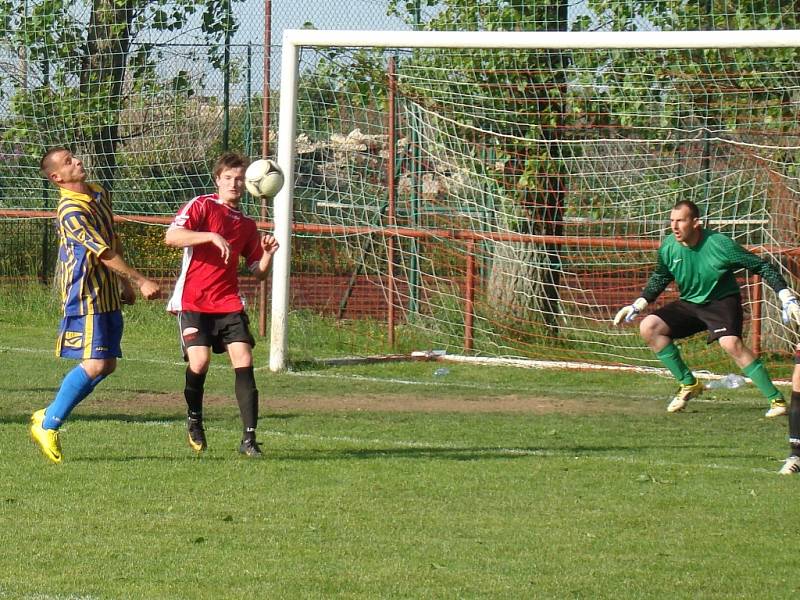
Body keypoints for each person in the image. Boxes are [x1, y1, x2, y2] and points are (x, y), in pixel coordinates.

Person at [31, 147, 161, 463]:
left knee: (108, 364)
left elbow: (111, 237)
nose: (77, 161)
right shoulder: (70, 211)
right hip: (83, 292)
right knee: (96, 364)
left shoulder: (99, 193)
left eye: (74, 157)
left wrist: (125, 283)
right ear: (57, 177)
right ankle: (48, 424)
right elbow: (101, 252)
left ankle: (48, 413)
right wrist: (142, 280)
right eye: (68, 161)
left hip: (105, 289)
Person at [613, 199, 800, 415]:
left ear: (696, 223)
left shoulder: (720, 244)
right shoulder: (668, 246)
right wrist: (638, 304)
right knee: (649, 327)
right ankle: (688, 383)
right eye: (671, 221)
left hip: (721, 302)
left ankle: (776, 401)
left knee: (731, 344)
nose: (674, 226)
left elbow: (762, 266)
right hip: (690, 302)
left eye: (680, 221)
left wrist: (786, 296)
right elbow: (661, 277)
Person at [165, 152, 279, 458]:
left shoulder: (246, 224)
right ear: (218, 180)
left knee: (243, 360)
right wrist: (210, 236)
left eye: (239, 178)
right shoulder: (202, 205)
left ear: (249, 184)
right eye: (228, 178)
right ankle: (194, 418)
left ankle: (249, 440)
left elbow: (259, 273)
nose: (234, 183)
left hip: (228, 302)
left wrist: (267, 253)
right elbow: (172, 237)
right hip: (194, 301)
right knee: (199, 362)